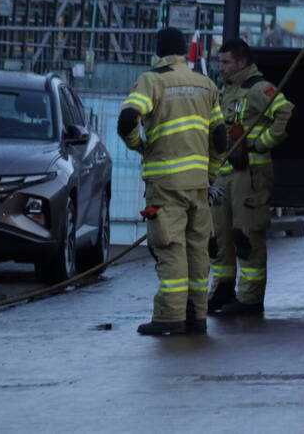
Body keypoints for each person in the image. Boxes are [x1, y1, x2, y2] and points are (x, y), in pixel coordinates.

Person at [118, 27, 226, 336]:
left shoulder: (152, 81)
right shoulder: (206, 85)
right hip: (198, 183)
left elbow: (127, 120)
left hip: (165, 183)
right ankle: (197, 316)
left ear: (158, 51)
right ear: (184, 51)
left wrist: (140, 145)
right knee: (198, 248)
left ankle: (170, 317)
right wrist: (210, 173)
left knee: (170, 247)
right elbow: (219, 138)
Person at [207, 38, 294, 316]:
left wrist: (262, 142)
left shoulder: (258, 88)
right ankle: (222, 290)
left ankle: (250, 299)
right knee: (219, 236)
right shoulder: (226, 90)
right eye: (220, 62)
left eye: (226, 62)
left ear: (241, 62)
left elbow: (285, 112)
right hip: (224, 174)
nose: (221, 68)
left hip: (250, 175)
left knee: (246, 237)